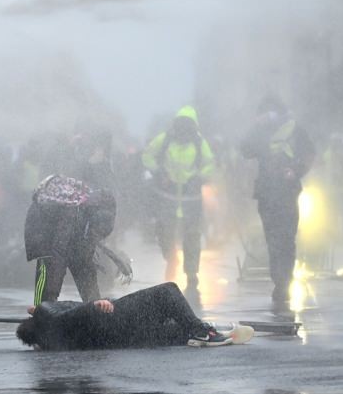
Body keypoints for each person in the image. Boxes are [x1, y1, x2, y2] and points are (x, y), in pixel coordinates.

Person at [16, 282, 254, 350]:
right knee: (166, 292)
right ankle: (201, 330)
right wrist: (94, 306)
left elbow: (69, 318)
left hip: (117, 338)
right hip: (112, 319)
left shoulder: (50, 334)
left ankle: (191, 332)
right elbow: (71, 315)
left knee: (164, 333)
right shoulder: (49, 313)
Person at [240, 96, 314, 310]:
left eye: (270, 112)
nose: (267, 116)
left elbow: (309, 154)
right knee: (272, 238)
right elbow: (245, 150)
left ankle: (285, 281)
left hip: (287, 192)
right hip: (266, 193)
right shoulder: (260, 132)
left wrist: (296, 171)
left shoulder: (294, 130)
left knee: (287, 237)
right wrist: (256, 127)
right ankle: (279, 281)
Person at [142, 106, 215, 290]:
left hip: (191, 199)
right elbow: (147, 156)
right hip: (167, 197)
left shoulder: (199, 143)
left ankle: (191, 273)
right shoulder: (165, 140)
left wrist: (198, 177)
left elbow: (210, 164)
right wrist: (159, 173)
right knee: (164, 233)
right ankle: (171, 258)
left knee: (192, 236)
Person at [25, 174, 116, 304]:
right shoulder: (72, 213)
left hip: (68, 232)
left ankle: (92, 305)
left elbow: (85, 261)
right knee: (49, 265)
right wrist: (49, 300)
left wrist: (95, 301)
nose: (96, 235)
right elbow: (58, 254)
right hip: (44, 233)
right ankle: (41, 308)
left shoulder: (96, 215)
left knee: (82, 259)